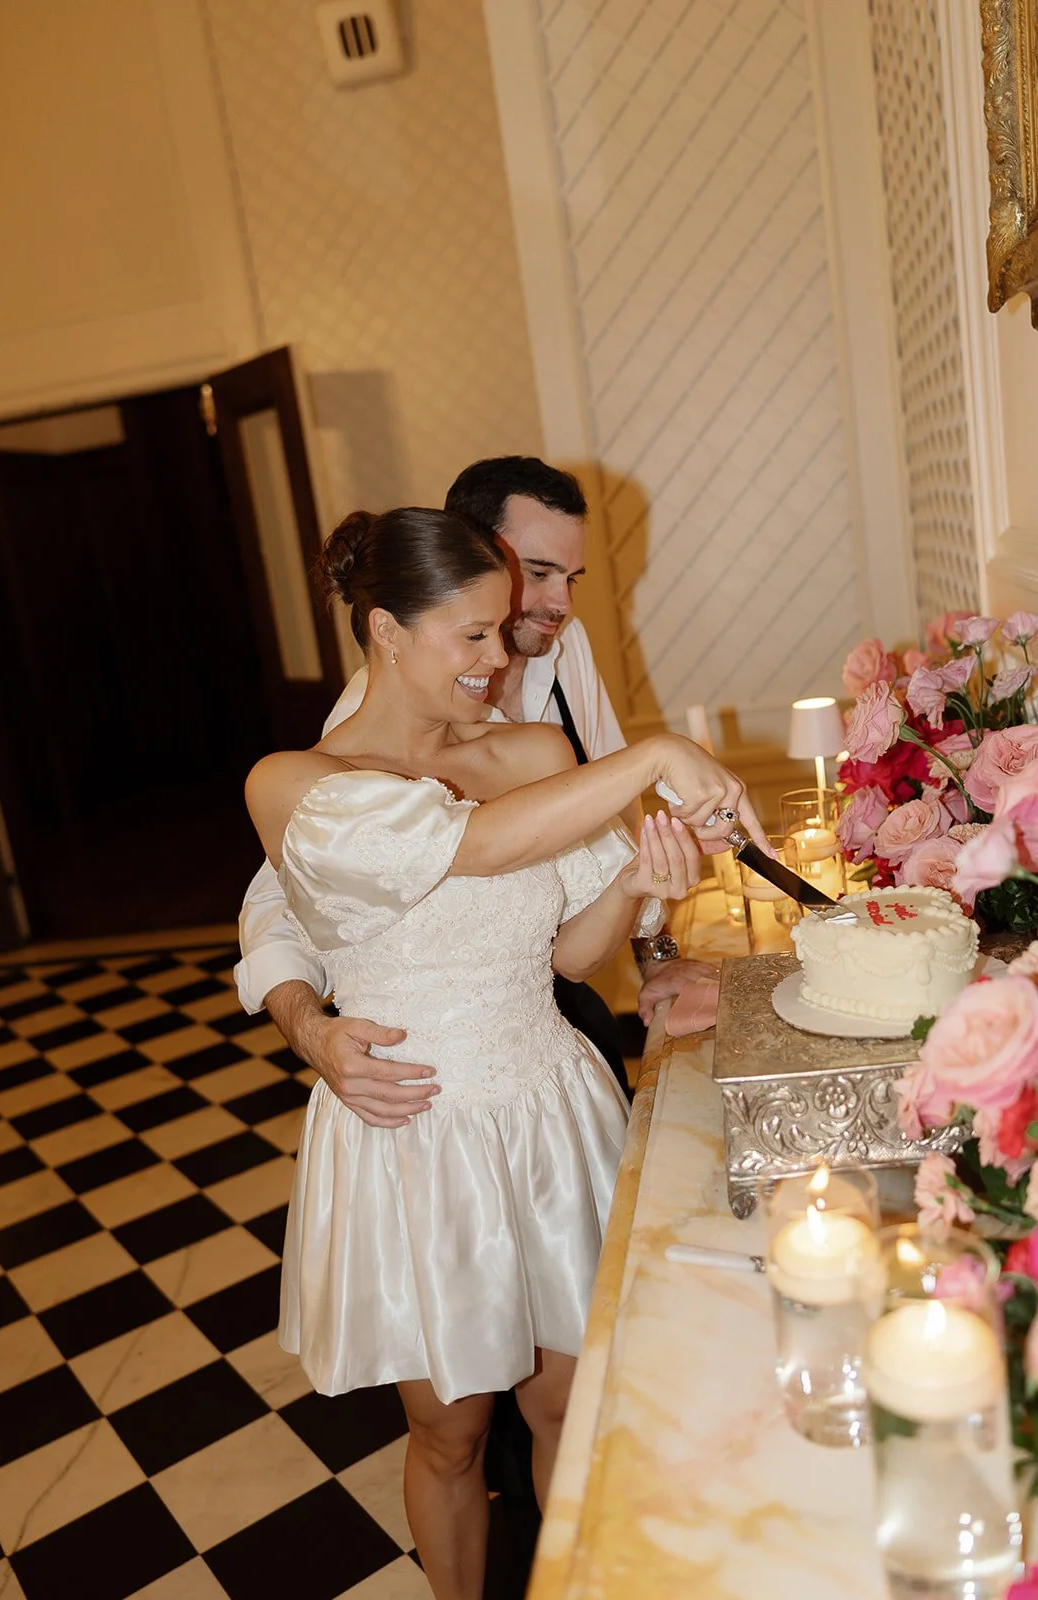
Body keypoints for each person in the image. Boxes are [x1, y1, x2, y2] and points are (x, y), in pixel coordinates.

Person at [244, 506, 763, 1600]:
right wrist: (653, 757)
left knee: (572, 1407)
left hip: (547, 1104)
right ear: (385, 630)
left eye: (502, 631)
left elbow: (569, 954)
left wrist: (636, 882)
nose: (499, 658)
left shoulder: (528, 751)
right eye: (471, 635)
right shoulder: (297, 786)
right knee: (449, 1436)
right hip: (417, 1129)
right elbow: (469, 849)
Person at [236, 457, 717, 1129]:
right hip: (411, 1116)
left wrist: (638, 886)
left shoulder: (554, 679)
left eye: (570, 578)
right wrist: (308, 1029)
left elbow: (574, 945)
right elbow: (282, 909)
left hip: (556, 1079)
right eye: (537, 574)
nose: (556, 604)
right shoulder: (318, 777)